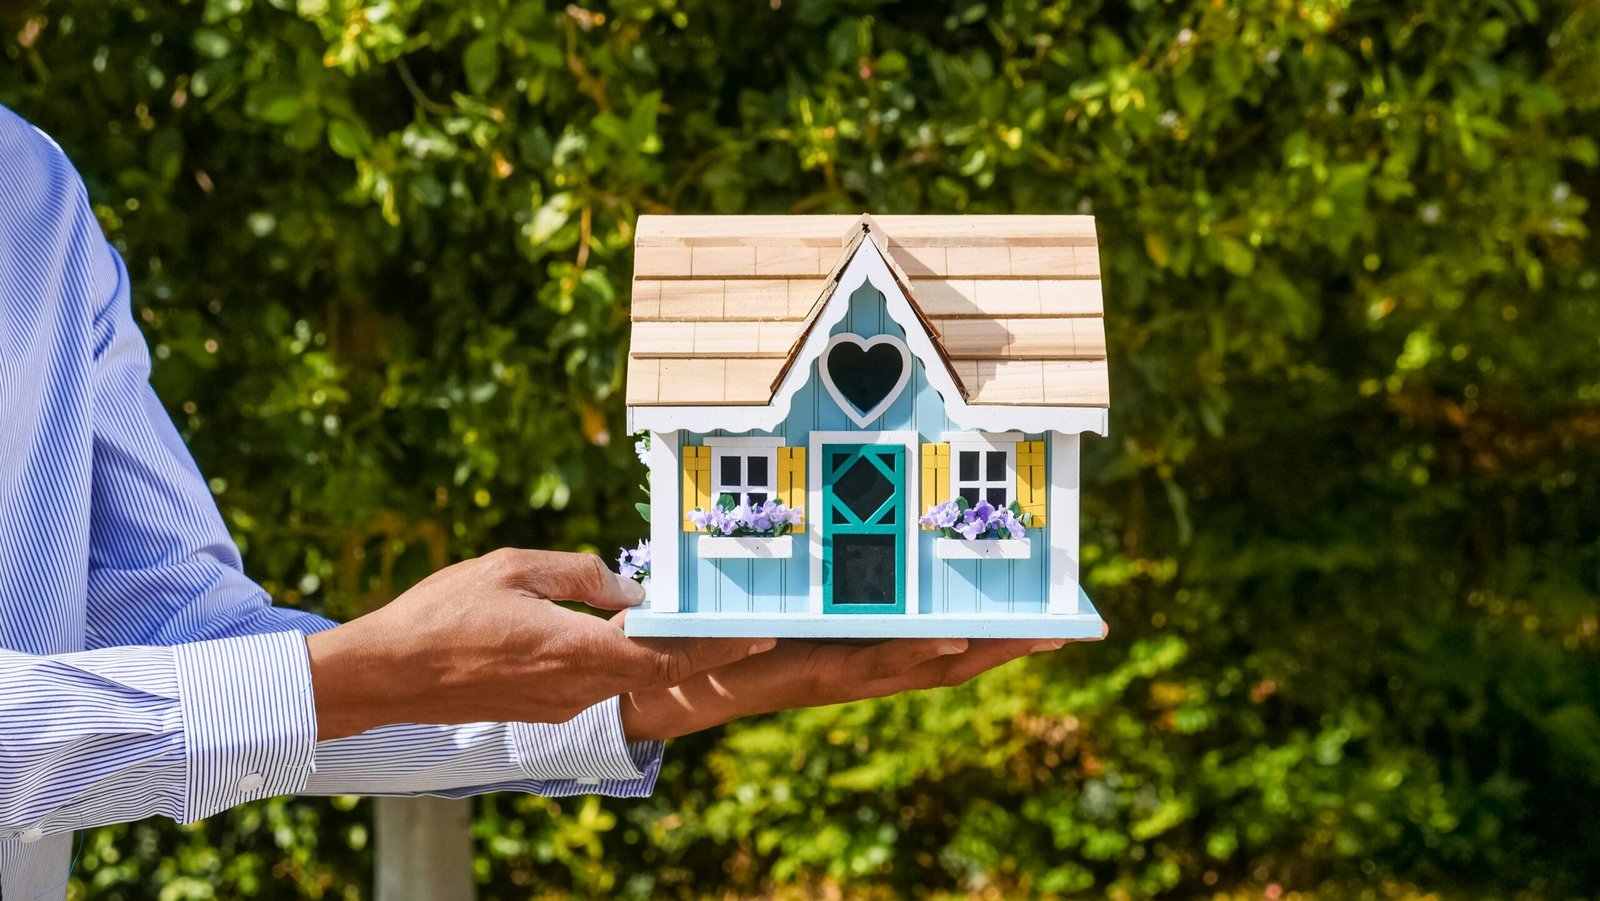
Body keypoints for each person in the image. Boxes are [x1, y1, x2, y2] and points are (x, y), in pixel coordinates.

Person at [0, 103, 1094, 899]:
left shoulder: (35, 198)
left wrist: (636, 697)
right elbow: (277, 688)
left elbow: (192, 643)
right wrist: (377, 667)